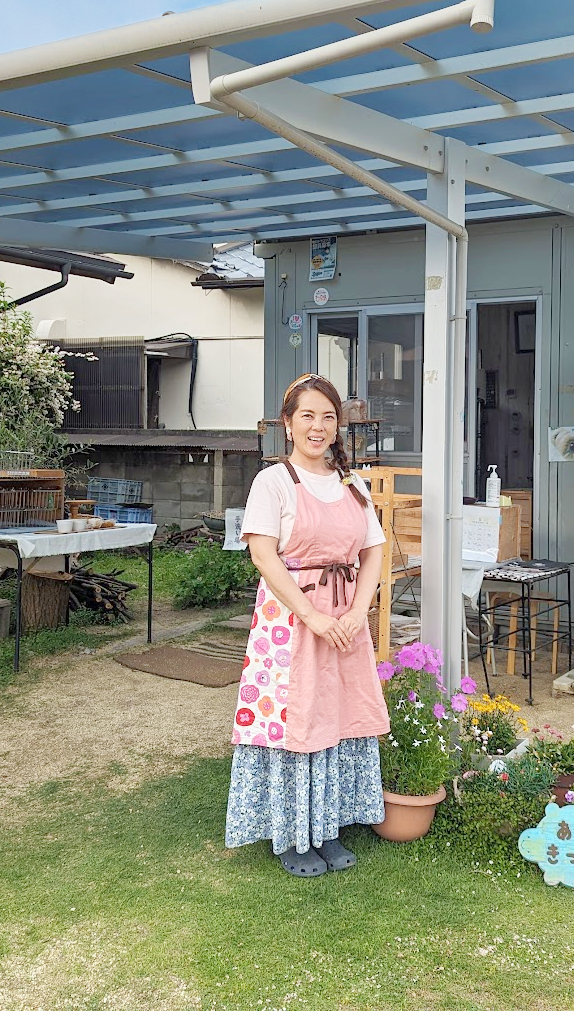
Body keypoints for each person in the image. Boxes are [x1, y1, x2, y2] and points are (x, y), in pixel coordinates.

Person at [224, 374, 390, 876]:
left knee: (339, 716)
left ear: (338, 426)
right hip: (292, 621)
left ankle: (331, 826)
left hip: (345, 619)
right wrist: (313, 616)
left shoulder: (352, 483)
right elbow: (264, 556)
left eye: (328, 417)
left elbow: (374, 549)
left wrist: (359, 610)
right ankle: (294, 834)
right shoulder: (272, 482)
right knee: (296, 719)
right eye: (307, 416)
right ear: (288, 425)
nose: (318, 427)